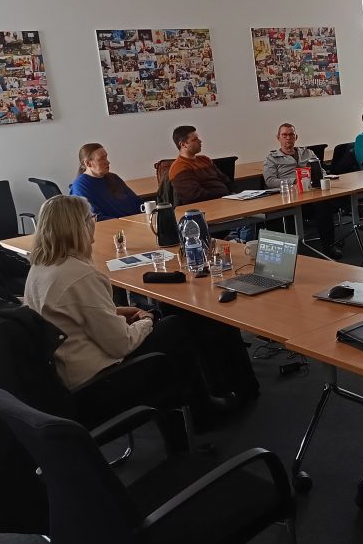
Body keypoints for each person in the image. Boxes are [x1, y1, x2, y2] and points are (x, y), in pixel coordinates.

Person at [22, 196, 251, 425]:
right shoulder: (79, 276)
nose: (94, 222)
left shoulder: (40, 269)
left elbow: (77, 314)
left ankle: (192, 412)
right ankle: (203, 411)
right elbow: (121, 344)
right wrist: (146, 320)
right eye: (91, 218)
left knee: (168, 328)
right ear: (78, 227)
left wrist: (116, 312)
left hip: (67, 379)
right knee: (174, 327)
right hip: (98, 383)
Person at [263, 123, 340, 258]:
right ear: (278, 138)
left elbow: (321, 171)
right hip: (289, 198)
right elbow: (270, 181)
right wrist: (294, 181)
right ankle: (291, 253)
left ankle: (328, 246)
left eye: (291, 135)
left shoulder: (308, 153)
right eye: (284, 135)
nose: (288, 138)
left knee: (324, 205)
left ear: (296, 137)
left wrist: (317, 177)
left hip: (311, 195)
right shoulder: (272, 158)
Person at [69, 143, 142, 221]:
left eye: (106, 157)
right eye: (101, 159)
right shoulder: (80, 187)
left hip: (134, 222)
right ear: (88, 163)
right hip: (115, 226)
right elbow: (96, 218)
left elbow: (136, 202)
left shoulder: (113, 177)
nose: (107, 162)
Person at [167, 125, 234, 205]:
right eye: (194, 139)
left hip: (225, 200)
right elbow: (195, 196)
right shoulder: (179, 167)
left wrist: (234, 194)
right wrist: (222, 196)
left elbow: (225, 179)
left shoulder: (205, 159)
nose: (200, 141)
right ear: (183, 144)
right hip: (207, 206)